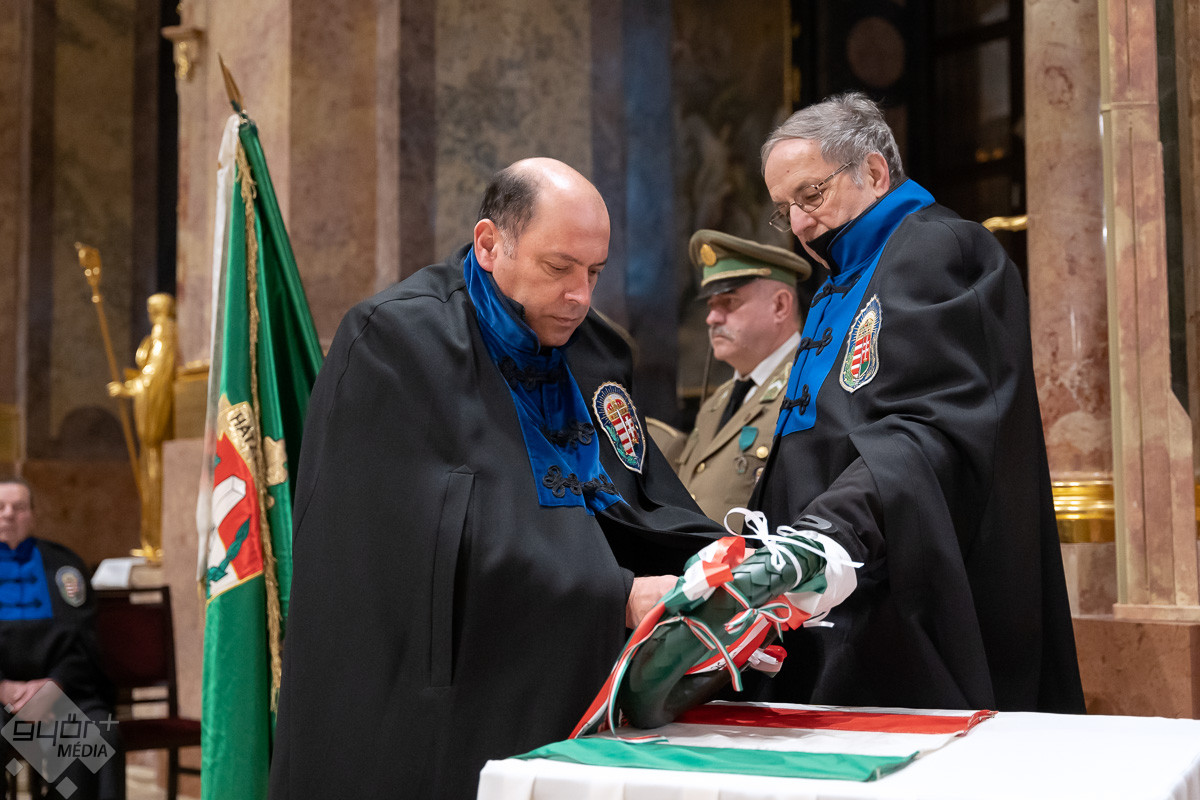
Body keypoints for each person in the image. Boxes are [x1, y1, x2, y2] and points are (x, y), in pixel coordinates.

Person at [269, 158, 723, 800]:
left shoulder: (595, 349)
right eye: (558, 267)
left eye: (594, 272)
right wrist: (615, 595)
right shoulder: (395, 342)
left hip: (579, 678)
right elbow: (417, 555)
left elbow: (635, 502)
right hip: (433, 704)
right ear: (489, 244)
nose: (580, 296)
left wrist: (726, 570)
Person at [748, 92, 1085, 713]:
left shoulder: (939, 248)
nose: (798, 225)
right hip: (823, 599)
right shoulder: (841, 277)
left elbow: (936, 427)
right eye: (784, 209)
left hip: (901, 599)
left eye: (810, 195)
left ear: (875, 172)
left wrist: (828, 534)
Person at [674, 229, 809, 522]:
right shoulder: (716, 404)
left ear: (780, 306)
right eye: (711, 305)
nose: (712, 318)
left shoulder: (808, 388)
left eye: (729, 302)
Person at [0, 478, 122, 800]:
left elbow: (83, 641)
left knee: (93, 733)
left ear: (33, 515)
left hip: (59, 694)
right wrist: (5, 689)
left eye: (19, 507)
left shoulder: (63, 565)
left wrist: (54, 687)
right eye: (1, 507)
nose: (8, 514)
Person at [107, 292, 177, 560]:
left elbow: (155, 377)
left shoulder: (163, 330)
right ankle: (152, 542)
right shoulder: (163, 330)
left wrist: (130, 389)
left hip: (157, 418)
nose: (149, 312)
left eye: (152, 308)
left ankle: (156, 543)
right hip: (155, 414)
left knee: (155, 473)